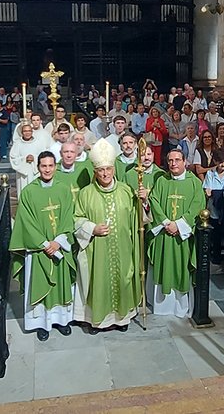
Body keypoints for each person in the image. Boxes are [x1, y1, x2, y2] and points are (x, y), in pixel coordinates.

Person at [72, 139, 142, 332]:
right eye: (101, 170)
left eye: (108, 169)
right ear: (95, 171)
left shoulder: (126, 191)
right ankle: (98, 320)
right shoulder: (86, 194)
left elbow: (139, 218)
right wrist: (91, 228)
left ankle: (122, 318)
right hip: (97, 250)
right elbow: (77, 218)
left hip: (123, 247)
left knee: (122, 278)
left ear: (113, 169)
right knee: (98, 282)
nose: (105, 174)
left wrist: (143, 202)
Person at [9, 152, 76, 341]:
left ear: (56, 166)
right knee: (40, 283)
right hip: (39, 250)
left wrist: (58, 242)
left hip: (59, 245)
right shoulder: (29, 191)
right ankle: (41, 324)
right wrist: (45, 244)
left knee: (60, 284)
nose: (47, 169)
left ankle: (62, 321)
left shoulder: (63, 189)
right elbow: (26, 221)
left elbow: (69, 216)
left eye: (50, 166)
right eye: (43, 166)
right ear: (38, 167)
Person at [147, 149, 204, 318]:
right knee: (162, 265)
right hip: (164, 235)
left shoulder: (194, 183)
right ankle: (162, 307)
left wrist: (179, 225)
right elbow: (154, 201)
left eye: (177, 160)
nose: (173, 164)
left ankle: (180, 307)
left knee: (182, 268)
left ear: (185, 161)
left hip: (182, 236)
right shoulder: (162, 181)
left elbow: (197, 205)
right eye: (170, 160)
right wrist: (166, 223)